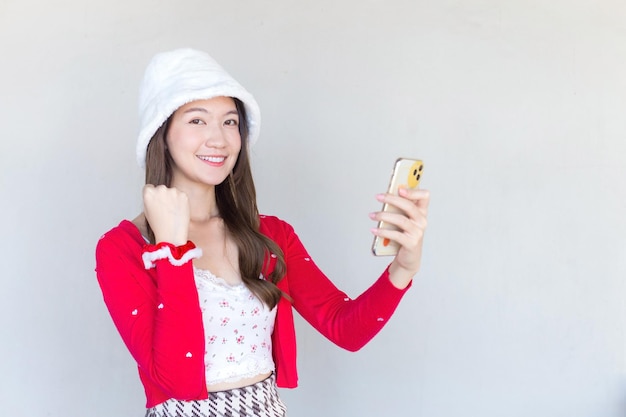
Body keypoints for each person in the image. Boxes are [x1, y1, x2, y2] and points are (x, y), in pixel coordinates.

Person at [95, 48, 430, 417]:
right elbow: (173, 377)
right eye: (196, 121)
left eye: (229, 122)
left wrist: (404, 267)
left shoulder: (271, 235)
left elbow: (345, 329)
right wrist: (171, 250)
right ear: (162, 134)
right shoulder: (123, 249)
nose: (218, 140)